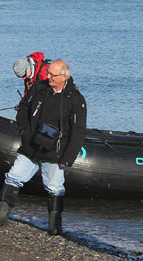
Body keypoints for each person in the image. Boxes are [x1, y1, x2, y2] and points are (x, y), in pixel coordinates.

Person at [0, 59, 86, 235]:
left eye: (52, 75)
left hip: (55, 152)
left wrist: (68, 158)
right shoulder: (40, 87)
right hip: (30, 147)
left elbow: (78, 131)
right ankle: (2, 217)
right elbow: (24, 107)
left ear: (63, 76)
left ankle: (55, 227)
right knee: (13, 177)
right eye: (48, 73)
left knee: (55, 187)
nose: (48, 77)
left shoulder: (76, 100)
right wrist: (25, 129)